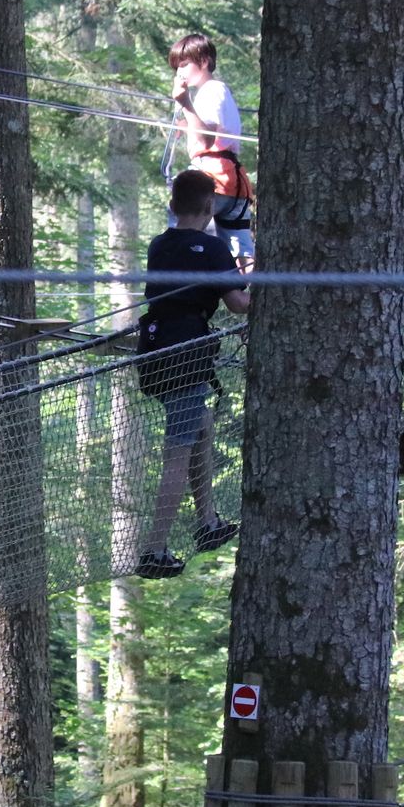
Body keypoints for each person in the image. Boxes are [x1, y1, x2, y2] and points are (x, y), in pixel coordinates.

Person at [134, 170, 251, 579]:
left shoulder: (158, 245)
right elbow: (238, 305)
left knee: (200, 423)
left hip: (153, 350)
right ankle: (154, 549)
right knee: (177, 452)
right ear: (209, 207)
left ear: (171, 206)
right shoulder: (214, 247)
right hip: (186, 353)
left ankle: (207, 522)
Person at [168, 32, 256, 271]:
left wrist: (186, 103)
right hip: (234, 184)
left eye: (185, 64)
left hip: (211, 181)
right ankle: (257, 296)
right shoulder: (219, 92)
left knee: (182, 235)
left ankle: (183, 286)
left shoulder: (211, 90)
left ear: (204, 61)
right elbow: (207, 133)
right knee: (243, 254)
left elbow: (206, 141)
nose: (180, 72)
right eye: (178, 67)